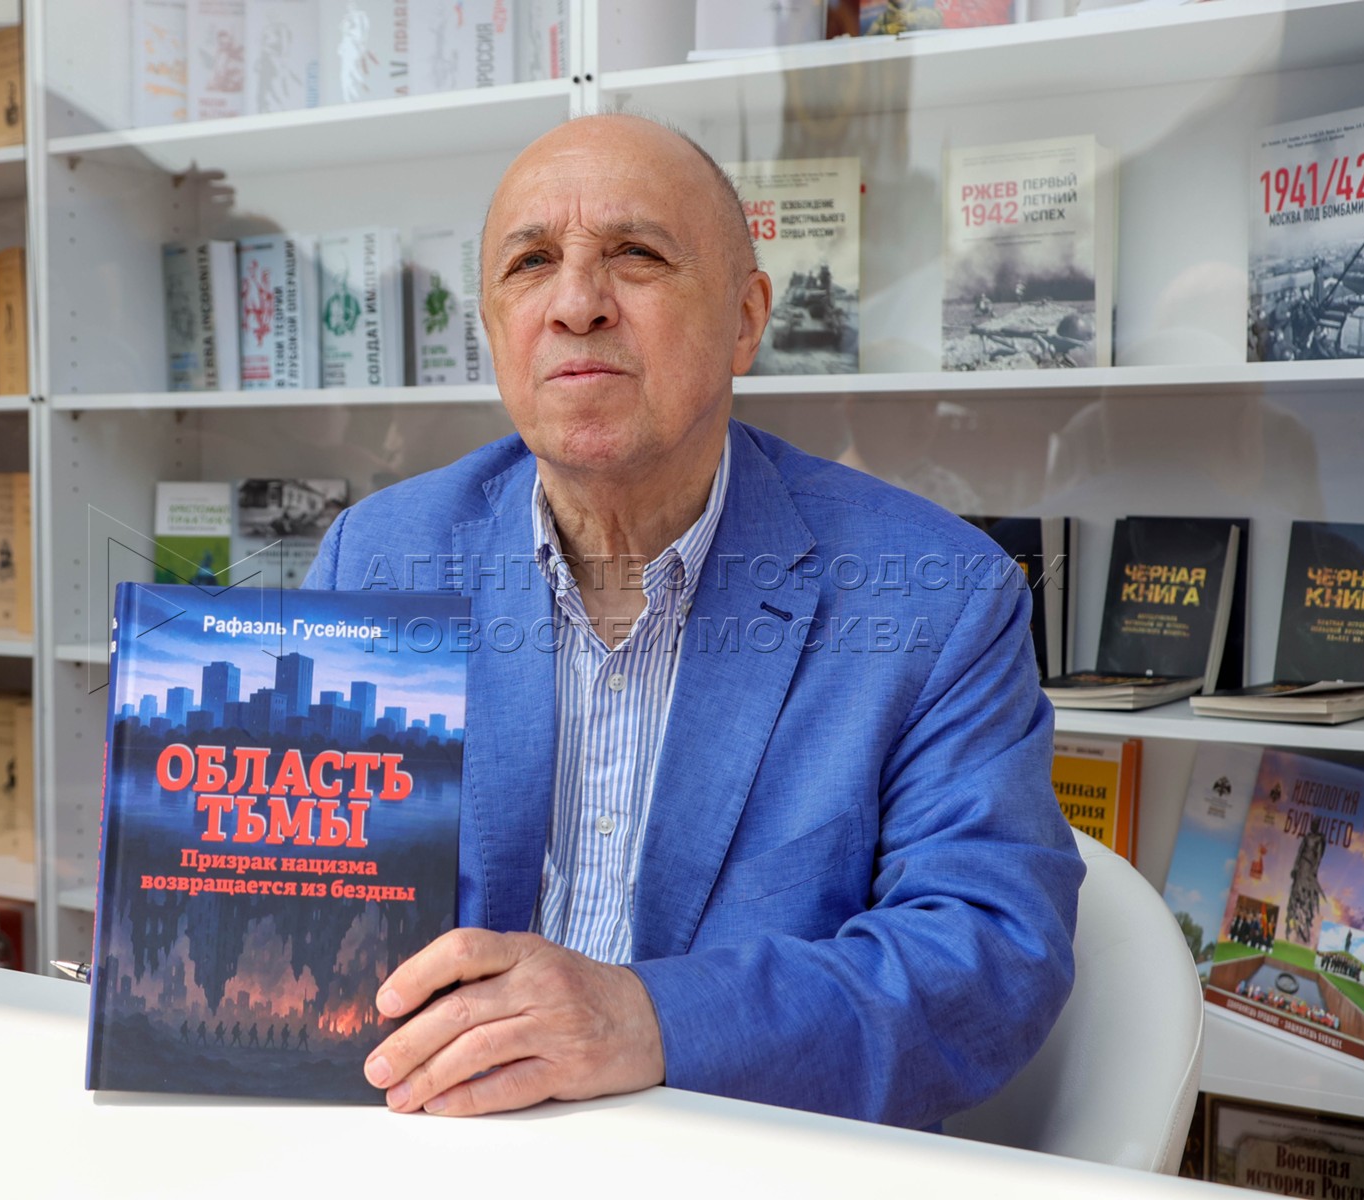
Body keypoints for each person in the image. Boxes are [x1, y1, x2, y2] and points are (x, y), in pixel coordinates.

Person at [304, 114, 1081, 1128]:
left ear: (745, 319)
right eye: (530, 264)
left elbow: (988, 957)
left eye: (635, 254)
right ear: (493, 329)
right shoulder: (375, 557)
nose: (576, 303)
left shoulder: (936, 594)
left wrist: (646, 1018)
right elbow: (289, 884)